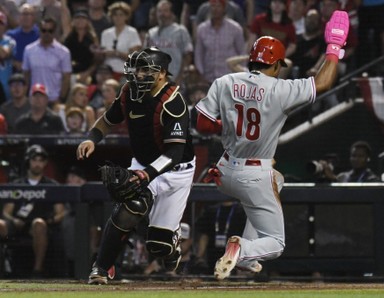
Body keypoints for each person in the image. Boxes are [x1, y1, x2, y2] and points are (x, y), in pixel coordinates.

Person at [195, 8, 349, 280]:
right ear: (275, 64)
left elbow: (203, 125)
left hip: (225, 170)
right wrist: (334, 47)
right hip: (253, 174)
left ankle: (244, 259)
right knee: (276, 243)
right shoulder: (280, 89)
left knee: (277, 179)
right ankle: (241, 251)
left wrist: (226, 125)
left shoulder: (225, 81)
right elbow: (323, 82)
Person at [76, 46, 195, 285]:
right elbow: (108, 120)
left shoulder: (173, 101)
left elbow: (174, 152)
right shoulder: (128, 93)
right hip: (143, 162)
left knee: (158, 246)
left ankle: (172, 243)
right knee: (131, 206)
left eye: (145, 70)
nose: (138, 75)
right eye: (136, 69)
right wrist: (92, 138)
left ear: (162, 73)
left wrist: (146, 173)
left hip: (175, 170)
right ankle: (101, 268)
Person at [2, 144, 66, 277]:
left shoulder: (52, 185)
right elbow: (6, 212)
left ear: (45, 163)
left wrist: (49, 220)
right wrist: (14, 220)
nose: (37, 163)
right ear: (28, 161)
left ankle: (37, 270)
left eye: (41, 160)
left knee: (38, 224)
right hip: (18, 224)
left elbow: (61, 212)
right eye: (34, 159)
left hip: (42, 225)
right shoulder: (17, 184)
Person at [22, 16, 72, 105]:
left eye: (50, 31)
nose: (47, 33)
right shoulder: (29, 50)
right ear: (39, 30)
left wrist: (61, 99)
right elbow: (26, 75)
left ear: (55, 31)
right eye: (44, 30)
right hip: (34, 99)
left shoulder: (63, 52)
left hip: (54, 99)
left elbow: (66, 78)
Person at [194, 0, 246, 84]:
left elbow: (242, 54)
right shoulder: (202, 29)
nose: (215, 9)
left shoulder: (235, 28)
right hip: (208, 79)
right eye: (213, 6)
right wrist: (201, 74)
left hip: (230, 80)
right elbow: (199, 54)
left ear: (224, 8)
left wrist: (241, 76)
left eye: (218, 6)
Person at [144, 0, 193, 85]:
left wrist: (179, 79)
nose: (162, 14)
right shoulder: (150, 33)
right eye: (159, 11)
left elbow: (187, 56)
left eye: (165, 11)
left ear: (171, 13)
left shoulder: (180, 31)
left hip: (175, 80)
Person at [192, 201, 246, 275]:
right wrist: (199, 256)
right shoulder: (211, 210)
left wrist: (243, 259)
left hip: (234, 254)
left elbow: (245, 237)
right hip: (213, 254)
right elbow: (205, 235)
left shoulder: (241, 211)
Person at [100, 1, 142, 82]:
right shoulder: (106, 33)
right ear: (111, 17)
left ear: (126, 17)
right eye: (115, 15)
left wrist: (116, 53)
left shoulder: (132, 32)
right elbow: (102, 54)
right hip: (108, 74)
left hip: (125, 74)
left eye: (121, 15)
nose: (118, 17)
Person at [5, 3, 40, 73]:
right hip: (15, 73)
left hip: (35, 71)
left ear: (33, 17)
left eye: (28, 14)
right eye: (23, 14)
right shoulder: (10, 35)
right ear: (19, 17)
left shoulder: (41, 34)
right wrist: (15, 63)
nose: (26, 17)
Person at [0, 11, 16, 102]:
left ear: (5, 26)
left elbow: (3, 54)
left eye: (0, 24)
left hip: (6, 92)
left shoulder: (10, 41)